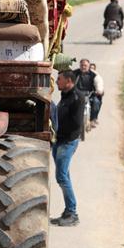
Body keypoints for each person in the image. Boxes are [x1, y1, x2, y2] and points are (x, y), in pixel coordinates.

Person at [51, 70, 84, 226]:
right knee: (64, 176)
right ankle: (67, 212)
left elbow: (76, 124)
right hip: (59, 141)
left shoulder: (77, 98)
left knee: (62, 177)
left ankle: (72, 213)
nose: (57, 82)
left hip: (67, 142)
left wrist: (60, 131)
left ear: (69, 81)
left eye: (59, 79)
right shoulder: (65, 96)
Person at [73, 58, 102, 129]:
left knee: (96, 102)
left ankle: (93, 119)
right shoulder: (74, 73)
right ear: (79, 65)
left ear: (88, 66)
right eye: (82, 65)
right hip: (77, 94)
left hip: (90, 94)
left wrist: (99, 90)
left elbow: (98, 83)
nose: (83, 67)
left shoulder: (94, 74)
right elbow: (69, 81)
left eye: (85, 65)